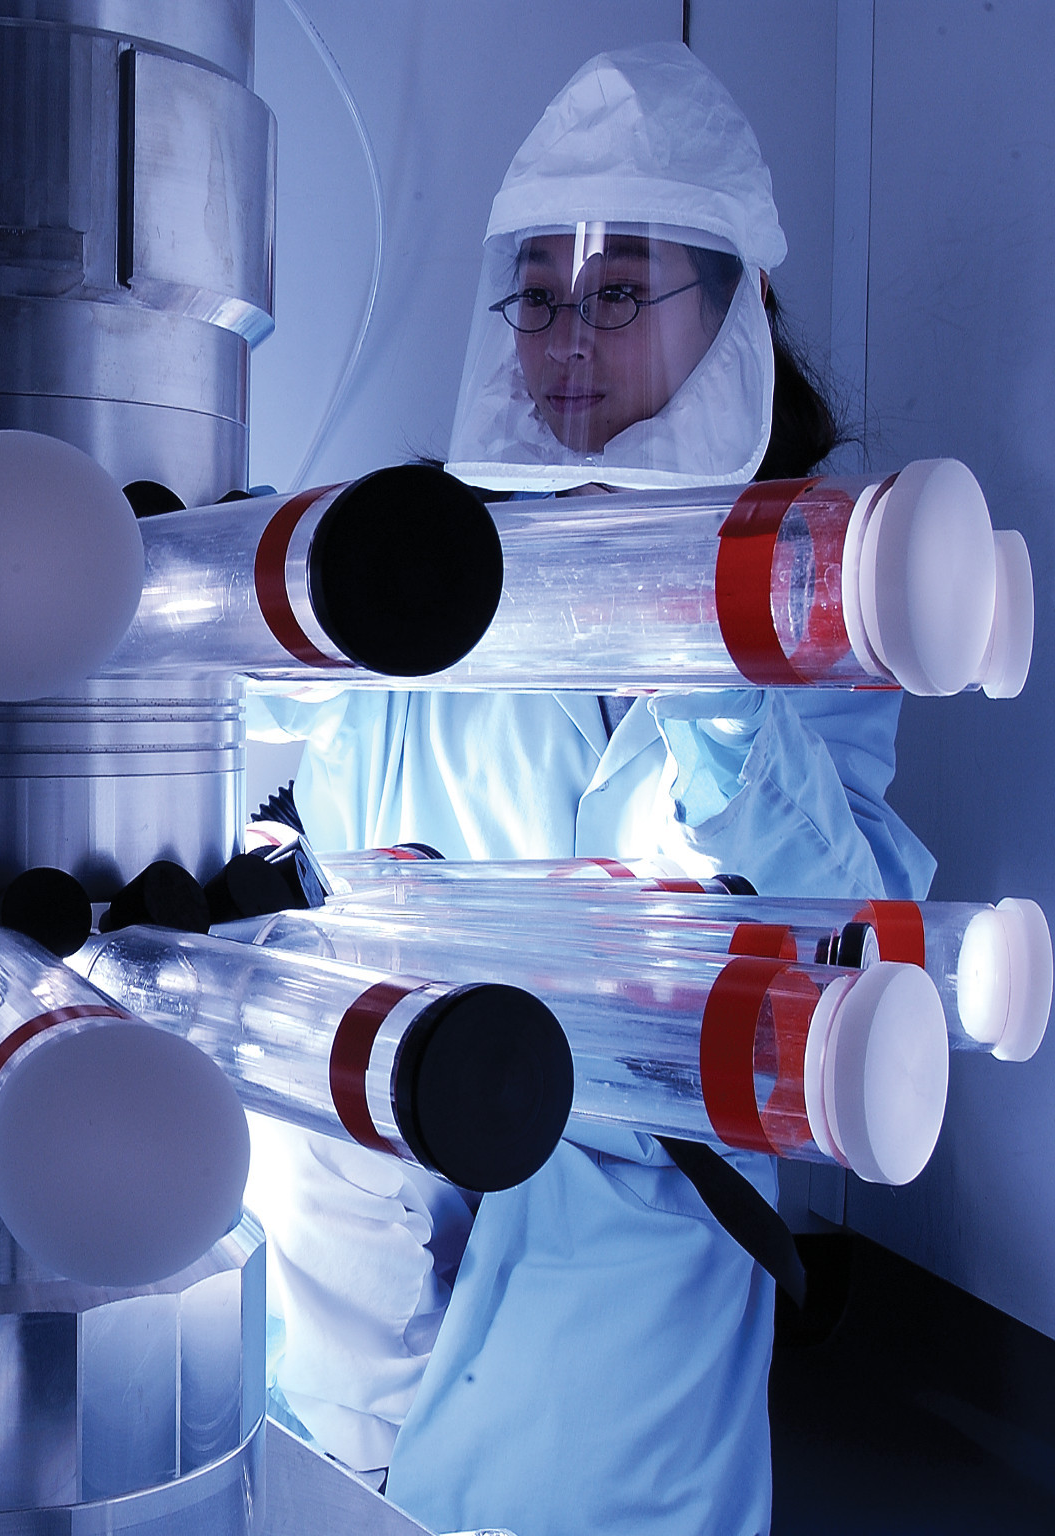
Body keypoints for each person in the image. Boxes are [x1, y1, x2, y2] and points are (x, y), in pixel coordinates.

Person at [244, 43, 934, 1536]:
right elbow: (350, 844)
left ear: (732, 308)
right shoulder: (430, 561)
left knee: (577, 1468)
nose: (569, 339)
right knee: (329, 1440)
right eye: (542, 297)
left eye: (619, 293)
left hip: (642, 1152)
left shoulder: (822, 580)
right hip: (399, 1100)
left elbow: (867, 918)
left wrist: (719, 695)